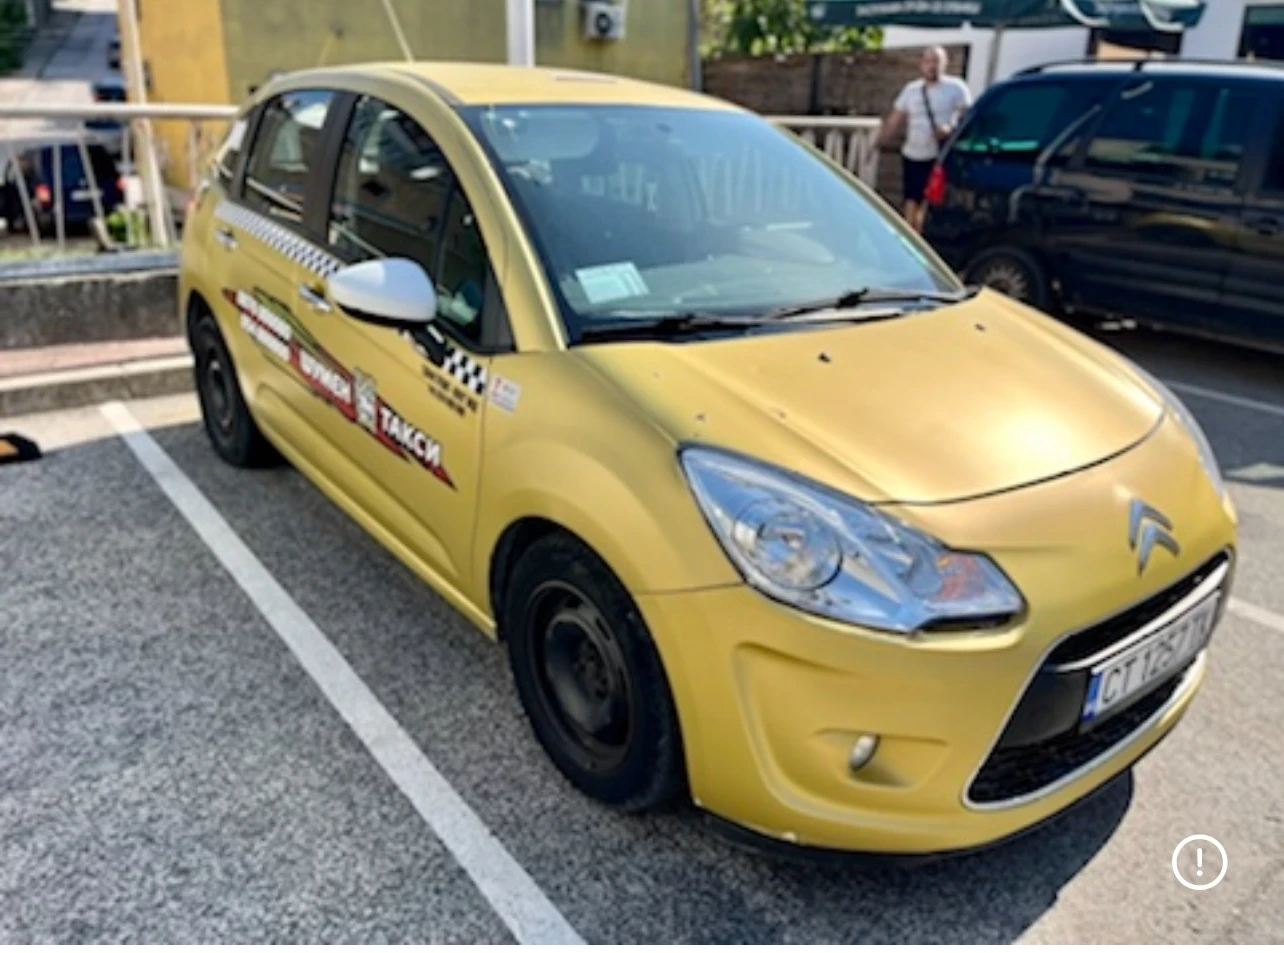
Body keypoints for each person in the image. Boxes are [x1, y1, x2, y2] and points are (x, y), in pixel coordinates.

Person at [877, 46, 972, 233]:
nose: (932, 66)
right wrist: (878, 143)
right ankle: (909, 235)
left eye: (936, 61)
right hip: (914, 152)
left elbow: (967, 116)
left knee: (930, 200)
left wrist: (950, 128)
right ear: (921, 65)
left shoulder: (956, 88)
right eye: (928, 61)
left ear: (945, 64)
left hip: (940, 155)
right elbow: (895, 118)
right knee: (911, 198)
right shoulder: (911, 90)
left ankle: (920, 235)